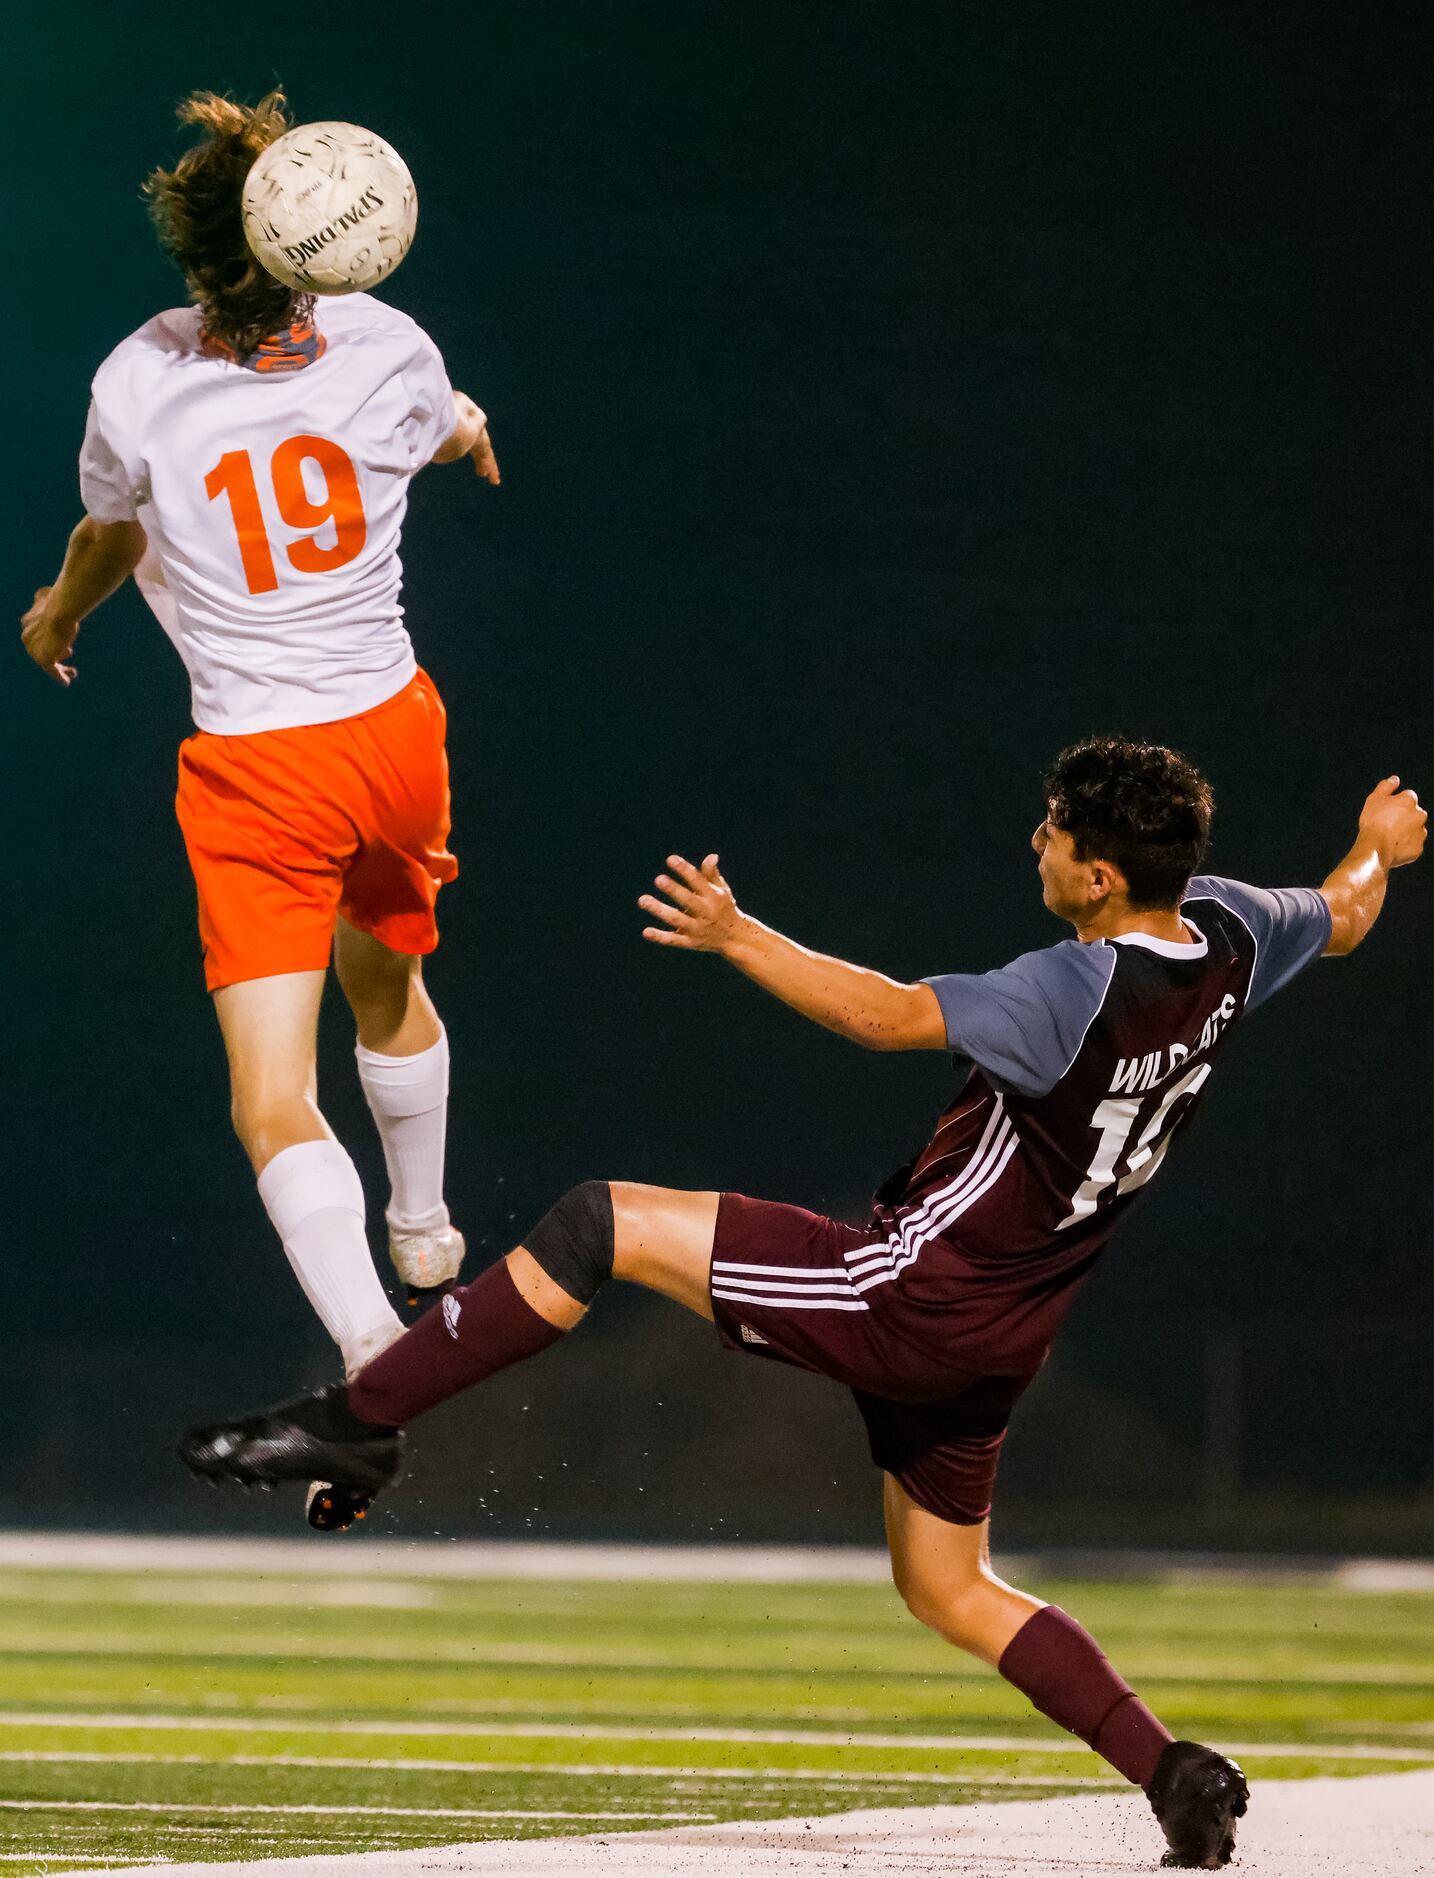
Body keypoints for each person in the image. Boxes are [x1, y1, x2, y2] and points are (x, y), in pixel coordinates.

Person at [180, 737, 1425, 1867]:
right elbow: (1352, 911)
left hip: (908, 1294)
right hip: (1007, 1339)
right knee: (949, 1588)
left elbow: (887, 1014)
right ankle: (1172, 1771)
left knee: (598, 1220)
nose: (1034, 842)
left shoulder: (1072, 990)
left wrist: (739, 935)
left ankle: (366, 1412)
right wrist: (1378, 845)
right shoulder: (1235, 933)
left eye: (1052, 830)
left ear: (1099, 877)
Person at [22, 92, 497, 1523]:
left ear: (196, 252)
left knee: (270, 1098)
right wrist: (465, 425)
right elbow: (424, 426)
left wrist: (56, 612)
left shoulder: (136, 383)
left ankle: (370, 1355)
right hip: (395, 730)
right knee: (388, 978)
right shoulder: (395, 351)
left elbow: (115, 532)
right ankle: (424, 1224)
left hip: (259, 763)